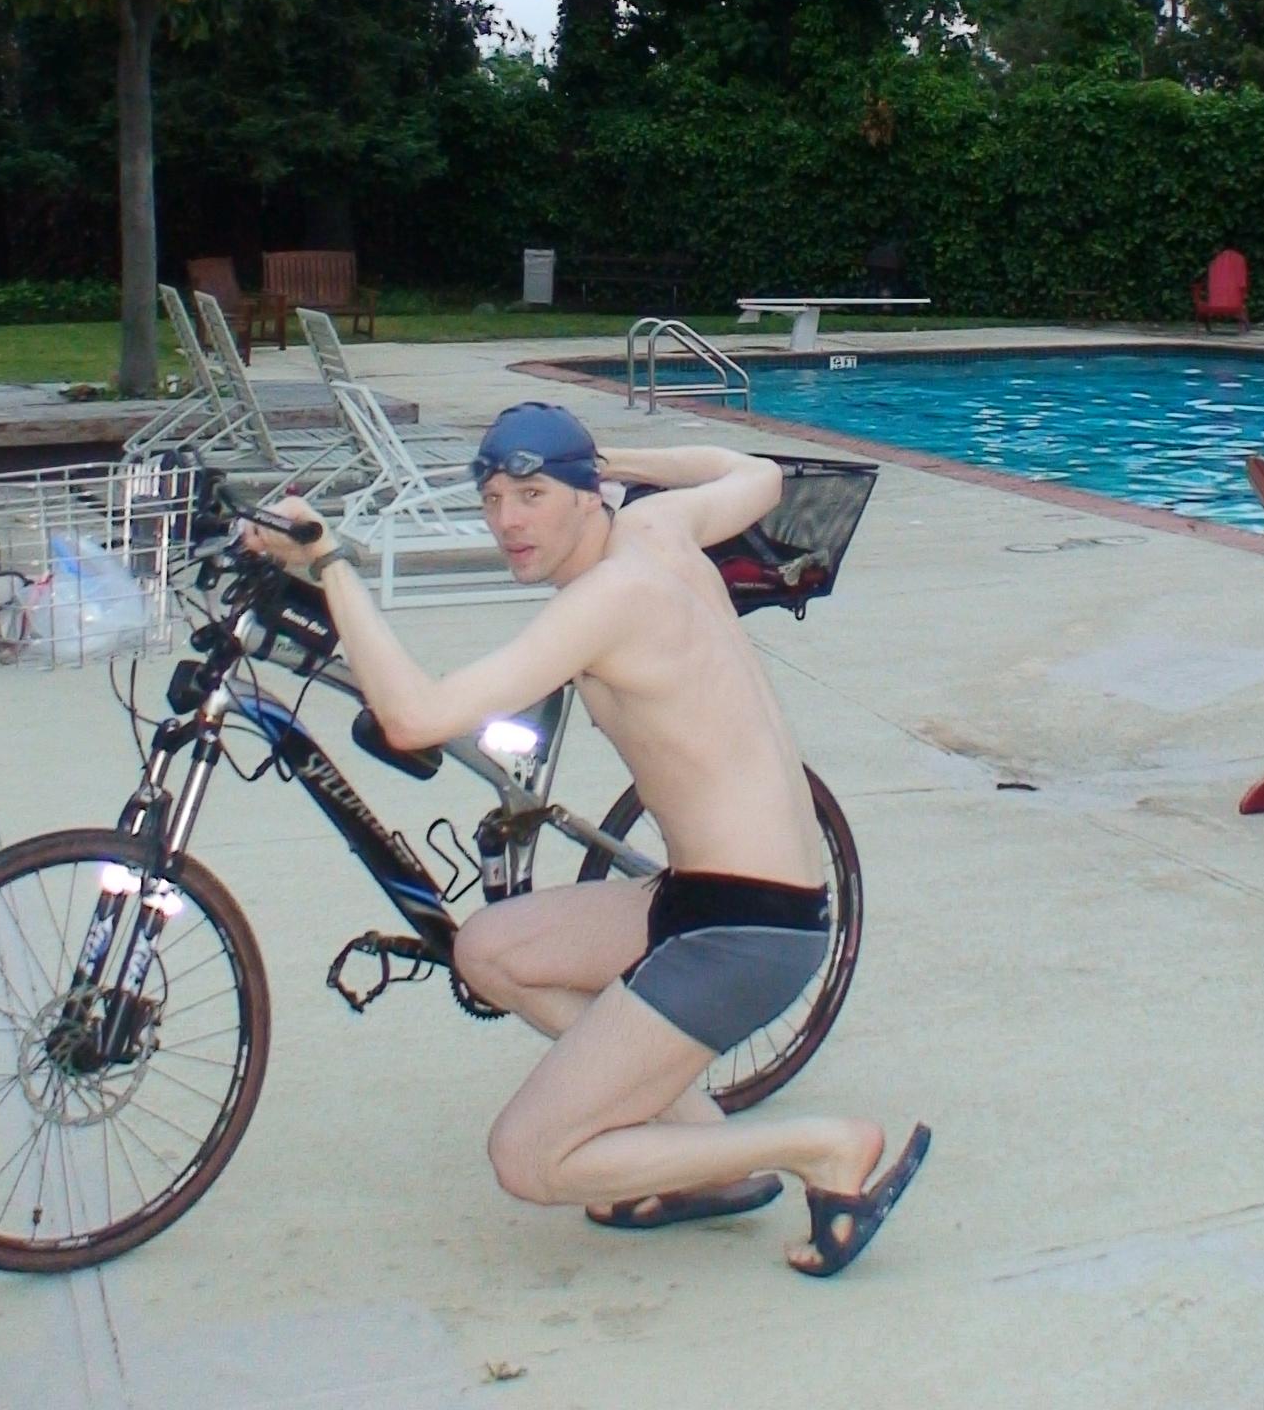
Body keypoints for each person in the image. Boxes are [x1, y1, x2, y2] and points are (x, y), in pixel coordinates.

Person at [246, 399, 929, 1277]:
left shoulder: (611, 600)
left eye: (531, 494)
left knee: (527, 1159)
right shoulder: (656, 523)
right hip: (702, 895)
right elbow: (754, 475)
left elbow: (414, 716)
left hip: (749, 932)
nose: (507, 522)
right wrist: (611, 457)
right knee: (487, 950)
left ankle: (821, 1148)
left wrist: (330, 563)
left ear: (583, 498)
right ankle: (697, 1157)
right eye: (492, 498)